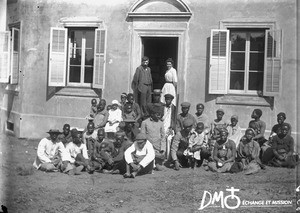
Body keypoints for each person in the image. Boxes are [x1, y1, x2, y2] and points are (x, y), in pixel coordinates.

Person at [141, 106, 165, 170]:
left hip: (157, 147)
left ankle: (156, 162)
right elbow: (142, 137)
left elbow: (163, 137)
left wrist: (163, 149)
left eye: (159, 114)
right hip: (148, 147)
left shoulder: (161, 123)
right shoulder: (145, 122)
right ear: (152, 114)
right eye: (157, 114)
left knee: (160, 168)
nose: (159, 116)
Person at [162, 94, 177, 159]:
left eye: (169, 99)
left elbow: (174, 119)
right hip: (163, 125)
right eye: (166, 99)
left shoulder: (174, 108)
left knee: (169, 139)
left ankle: (168, 157)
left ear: (171, 100)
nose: (167, 101)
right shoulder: (162, 107)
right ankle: (162, 155)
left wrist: (172, 127)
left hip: (170, 127)